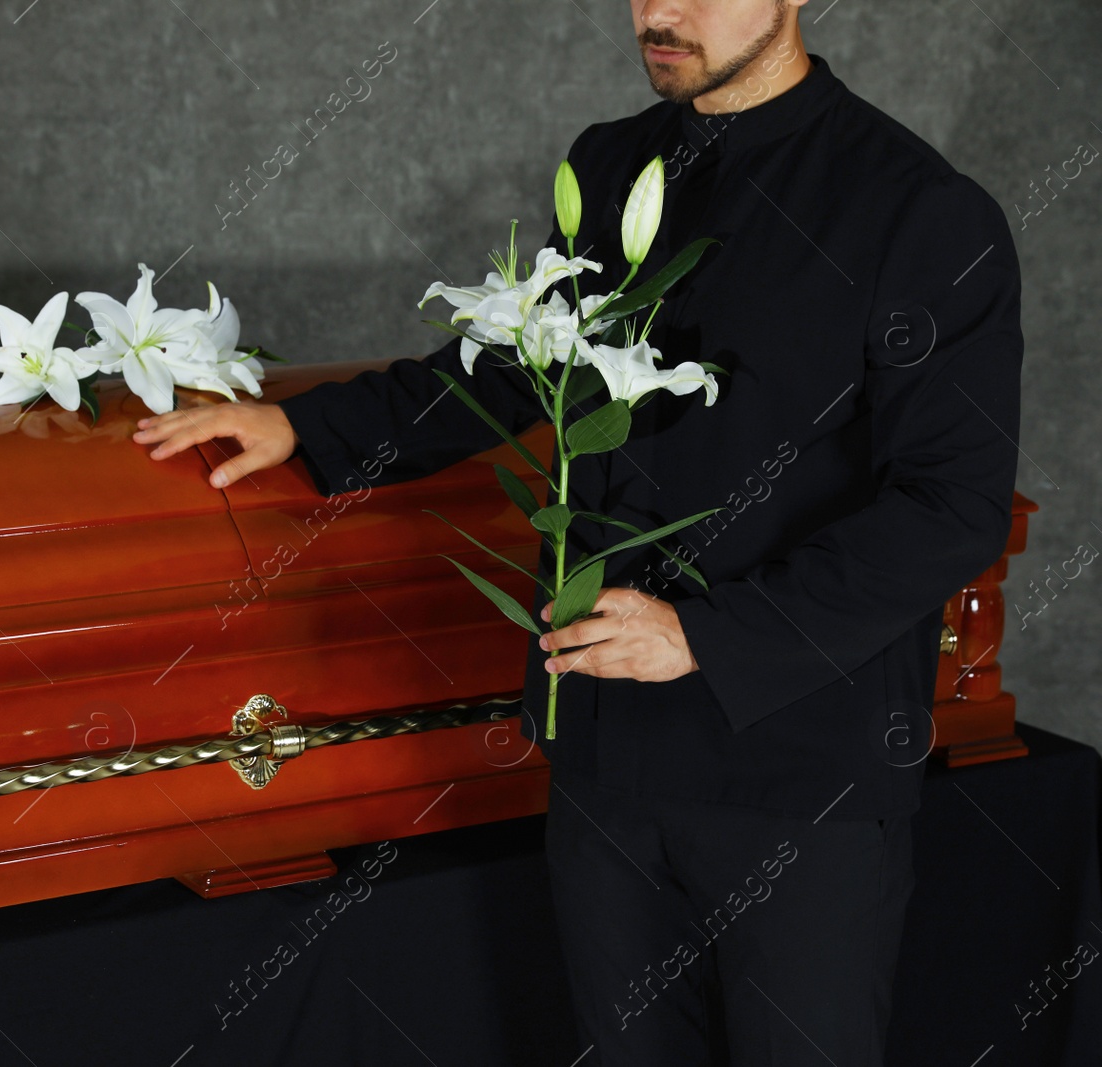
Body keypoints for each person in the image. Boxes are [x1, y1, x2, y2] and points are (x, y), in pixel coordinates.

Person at [133, 1, 1022, 1062]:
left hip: (801, 773)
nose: (660, 11)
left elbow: (950, 504)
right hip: (605, 752)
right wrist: (304, 426)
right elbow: (518, 364)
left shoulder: (920, 210)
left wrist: (707, 635)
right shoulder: (609, 164)